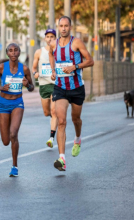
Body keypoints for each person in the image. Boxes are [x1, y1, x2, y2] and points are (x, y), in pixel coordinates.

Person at [48, 16, 94, 171]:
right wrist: (53, 70)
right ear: (58, 27)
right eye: (61, 26)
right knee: (61, 121)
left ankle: (78, 138)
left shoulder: (76, 42)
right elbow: (50, 53)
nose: (63, 28)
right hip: (60, 87)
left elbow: (90, 61)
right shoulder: (53, 43)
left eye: (66, 26)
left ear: (70, 27)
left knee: (76, 119)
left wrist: (75, 67)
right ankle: (62, 159)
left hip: (76, 88)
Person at [0, 43, 35, 177]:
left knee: (13, 133)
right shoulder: (1, 68)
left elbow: (32, 87)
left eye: (16, 50)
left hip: (17, 103)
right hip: (3, 104)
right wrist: (0, 88)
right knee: (5, 141)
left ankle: (14, 166)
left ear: (19, 52)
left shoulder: (24, 69)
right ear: (7, 54)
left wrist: (28, 85)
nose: (13, 52)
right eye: (10, 50)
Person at [32, 29, 58, 148]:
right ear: (45, 38)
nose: (50, 38)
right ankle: (53, 120)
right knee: (47, 112)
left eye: (52, 36)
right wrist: (35, 73)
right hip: (43, 85)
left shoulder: (58, 51)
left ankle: (51, 138)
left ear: (55, 38)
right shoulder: (39, 52)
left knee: (54, 111)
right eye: (47, 36)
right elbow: (33, 68)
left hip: (56, 85)